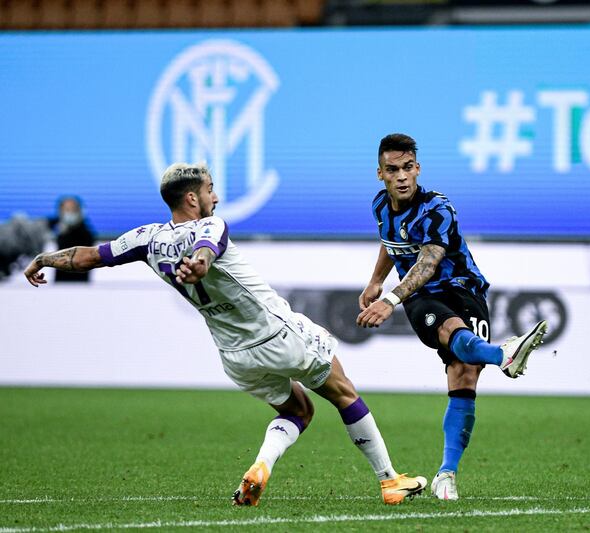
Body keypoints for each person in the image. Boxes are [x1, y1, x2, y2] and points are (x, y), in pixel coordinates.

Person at [23, 163, 426, 507]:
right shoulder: (212, 225)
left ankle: (260, 467)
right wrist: (198, 263)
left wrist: (43, 259)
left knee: (298, 411)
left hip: (234, 355)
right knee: (344, 392)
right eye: (210, 190)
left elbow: (90, 256)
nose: (215, 197)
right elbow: (206, 247)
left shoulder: (146, 238)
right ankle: (390, 480)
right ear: (192, 200)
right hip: (277, 335)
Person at [357, 133, 548, 500]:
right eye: (392, 169)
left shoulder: (438, 208)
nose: (401, 176)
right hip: (420, 297)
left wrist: (389, 301)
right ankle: (504, 354)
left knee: (464, 374)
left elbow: (428, 262)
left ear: (418, 168)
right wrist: (376, 282)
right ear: (380, 173)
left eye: (408, 168)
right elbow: (391, 240)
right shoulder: (381, 205)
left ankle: (447, 473)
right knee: (449, 331)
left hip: (464, 288)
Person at [48, 196, 95, 282]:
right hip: (58, 284)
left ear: (80, 211)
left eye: (73, 210)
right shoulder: (53, 227)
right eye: (66, 210)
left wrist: (66, 231)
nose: (70, 213)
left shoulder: (86, 234)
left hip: (80, 283)